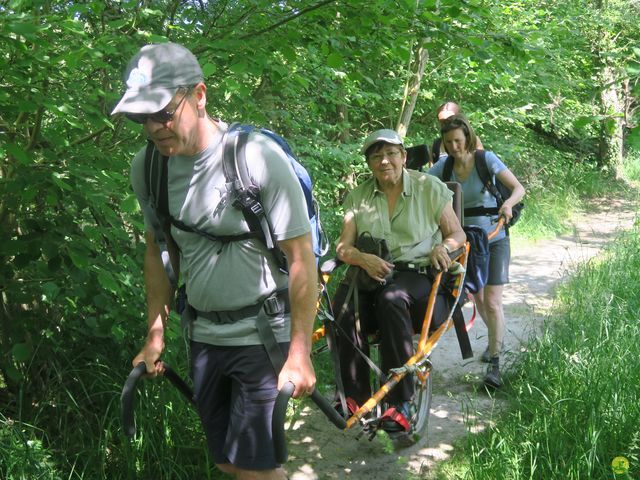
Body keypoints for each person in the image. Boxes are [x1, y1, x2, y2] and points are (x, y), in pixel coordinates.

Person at [111, 42, 317, 479]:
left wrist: (300, 352)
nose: (153, 127)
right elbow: (158, 251)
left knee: (254, 469)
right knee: (226, 459)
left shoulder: (256, 158)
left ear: (199, 95)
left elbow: (301, 257)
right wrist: (155, 335)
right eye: (139, 117)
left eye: (163, 112)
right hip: (203, 337)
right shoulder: (148, 169)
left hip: (263, 335)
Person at [332, 129, 465, 439]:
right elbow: (343, 248)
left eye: (391, 154)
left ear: (404, 157)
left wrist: (442, 247)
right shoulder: (358, 196)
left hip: (419, 275)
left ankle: (399, 402)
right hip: (372, 273)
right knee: (341, 307)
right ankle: (353, 397)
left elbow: (458, 235)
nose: (384, 161)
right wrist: (363, 259)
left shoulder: (428, 187)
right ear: (368, 163)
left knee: (393, 298)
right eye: (376, 156)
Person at [428, 114, 525, 388]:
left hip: (494, 239)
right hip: (463, 244)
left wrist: (507, 205)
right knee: (480, 300)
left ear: (467, 138)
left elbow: (518, 188)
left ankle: (495, 362)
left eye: (458, 141)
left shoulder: (486, 160)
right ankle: (496, 341)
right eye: (449, 143)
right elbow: (421, 186)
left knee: (492, 301)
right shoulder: (442, 168)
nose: (454, 147)